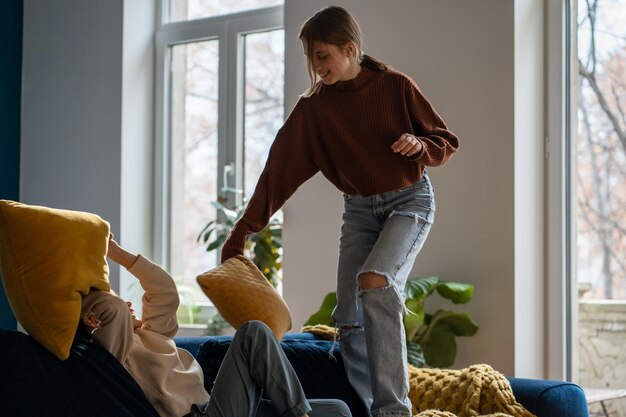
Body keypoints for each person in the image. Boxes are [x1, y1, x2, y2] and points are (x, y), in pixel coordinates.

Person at [220, 5, 459, 417]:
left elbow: (444, 139)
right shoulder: (315, 108)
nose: (316, 66)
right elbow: (279, 170)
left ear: (350, 49)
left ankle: (393, 412)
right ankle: (367, 410)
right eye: (312, 58)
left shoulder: (395, 86)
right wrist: (244, 228)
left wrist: (419, 146)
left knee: (376, 282)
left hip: (409, 201)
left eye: (322, 56)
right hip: (360, 212)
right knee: (348, 318)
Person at [80, 237, 351, 417]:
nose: (126, 302)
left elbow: (163, 287)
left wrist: (115, 252)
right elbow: (111, 312)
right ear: (95, 319)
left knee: (337, 410)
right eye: (117, 301)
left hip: (219, 406)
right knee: (252, 333)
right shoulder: (114, 354)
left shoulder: (151, 333)